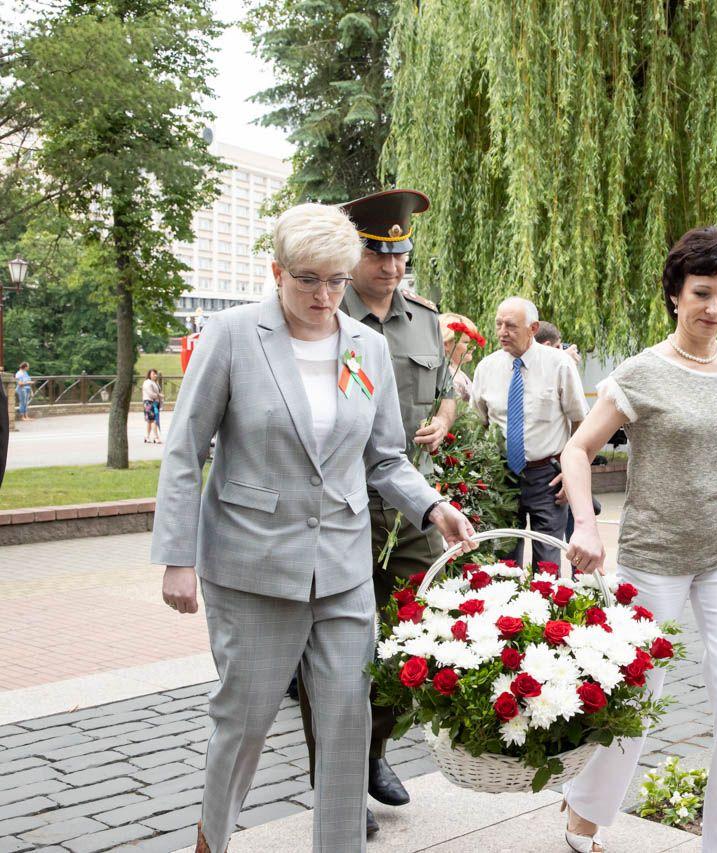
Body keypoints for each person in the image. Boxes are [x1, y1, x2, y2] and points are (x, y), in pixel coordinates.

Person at [152, 203, 477, 853]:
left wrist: (432, 506)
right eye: (309, 280)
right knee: (242, 723)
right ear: (276, 272)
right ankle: (211, 840)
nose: (326, 296)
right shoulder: (234, 335)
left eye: (337, 280)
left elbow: (385, 457)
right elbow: (187, 449)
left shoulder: (364, 347)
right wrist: (176, 556)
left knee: (346, 721)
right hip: (252, 565)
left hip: (344, 567)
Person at [559, 226, 717, 853]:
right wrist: (587, 526)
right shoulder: (641, 373)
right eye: (703, 293)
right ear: (675, 293)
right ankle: (584, 814)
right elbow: (577, 449)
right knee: (634, 696)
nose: (715, 309)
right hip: (653, 559)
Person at [295, 189, 458, 832]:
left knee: (425, 628)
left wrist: (443, 420)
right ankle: (335, 784)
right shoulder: (327, 315)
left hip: (409, 503)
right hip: (339, 509)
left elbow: (445, 390)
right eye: (377, 255)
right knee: (332, 652)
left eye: (401, 254)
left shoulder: (424, 318)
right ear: (350, 254)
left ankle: (372, 751)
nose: (392, 268)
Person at [472, 296, 590, 567]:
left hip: (547, 477)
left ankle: (546, 608)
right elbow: (478, 424)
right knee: (503, 563)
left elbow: (581, 421)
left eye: (511, 326)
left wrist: (570, 472)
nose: (502, 332)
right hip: (501, 478)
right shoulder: (486, 368)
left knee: (547, 563)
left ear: (533, 328)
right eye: (498, 324)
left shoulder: (559, 364)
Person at [439, 312, 480, 402]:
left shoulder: (458, 373)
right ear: (446, 344)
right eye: (466, 342)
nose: (473, 347)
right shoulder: (447, 377)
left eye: (473, 342)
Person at [142, 368, 164, 444]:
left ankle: (146, 437)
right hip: (149, 403)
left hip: (155, 403)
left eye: (155, 374)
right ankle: (156, 437)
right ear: (149, 375)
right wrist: (159, 395)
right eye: (153, 374)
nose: (155, 375)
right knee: (154, 420)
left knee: (150, 421)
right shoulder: (147, 383)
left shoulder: (155, 382)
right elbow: (150, 393)